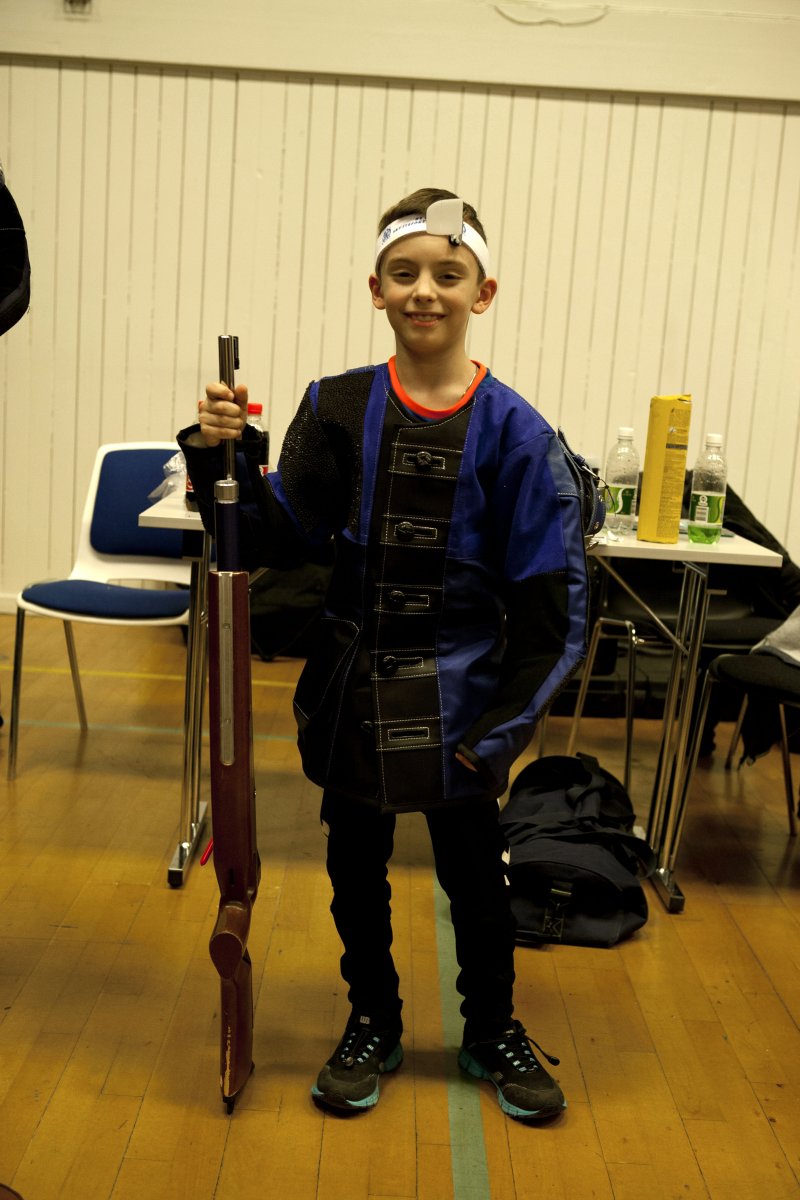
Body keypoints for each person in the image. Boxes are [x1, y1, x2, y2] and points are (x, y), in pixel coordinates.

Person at [178, 187, 592, 1123]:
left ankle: (492, 1028)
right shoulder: (336, 407)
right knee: (354, 875)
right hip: (353, 695)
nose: (425, 291)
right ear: (377, 288)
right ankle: (372, 1018)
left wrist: (497, 736)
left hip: (463, 705)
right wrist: (220, 453)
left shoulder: (521, 436)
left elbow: (556, 614)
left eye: (448, 274)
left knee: (477, 884)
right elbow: (270, 538)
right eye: (404, 273)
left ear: (482, 292)